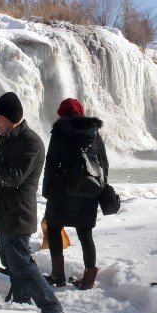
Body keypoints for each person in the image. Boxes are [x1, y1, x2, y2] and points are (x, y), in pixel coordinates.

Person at [0, 92, 64, 313]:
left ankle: (51, 307)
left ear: (11, 118)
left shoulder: (30, 142)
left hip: (17, 214)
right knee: (12, 262)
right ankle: (21, 302)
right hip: (5, 212)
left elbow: (13, 177)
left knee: (22, 264)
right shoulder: (10, 139)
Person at [41, 98, 109, 290]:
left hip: (62, 190)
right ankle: (88, 281)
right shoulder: (94, 132)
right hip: (89, 188)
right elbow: (103, 162)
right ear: (82, 112)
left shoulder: (59, 131)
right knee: (85, 234)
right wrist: (100, 186)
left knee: (54, 228)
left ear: (62, 114)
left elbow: (52, 163)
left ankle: (57, 275)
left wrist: (46, 189)